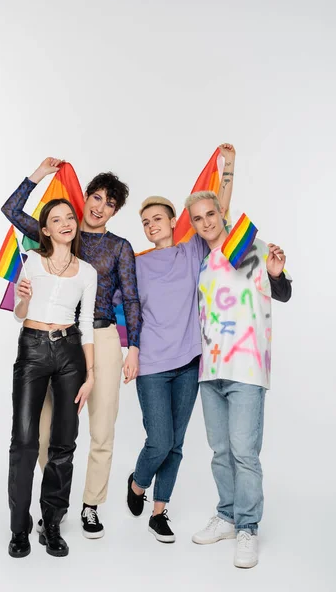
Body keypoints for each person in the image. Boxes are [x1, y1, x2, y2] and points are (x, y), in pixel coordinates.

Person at [2, 159, 141, 538]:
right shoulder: (61, 232)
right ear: (85, 197)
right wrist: (38, 175)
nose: (99, 206)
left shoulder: (118, 247)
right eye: (96, 197)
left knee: (101, 427)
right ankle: (52, 509)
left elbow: (131, 299)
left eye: (109, 203)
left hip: (102, 337)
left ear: (115, 210)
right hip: (58, 341)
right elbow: (12, 211)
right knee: (48, 431)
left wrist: (134, 348)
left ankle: (91, 505)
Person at [126, 144, 238, 542]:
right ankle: (138, 482)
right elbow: (127, 310)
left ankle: (160, 511)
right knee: (160, 440)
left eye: (158, 218)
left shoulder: (192, 250)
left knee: (177, 443)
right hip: (153, 365)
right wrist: (130, 351)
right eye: (145, 221)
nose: (151, 225)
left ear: (175, 221)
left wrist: (228, 170)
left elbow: (217, 213)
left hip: (190, 362)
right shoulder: (135, 263)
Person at [185, 191, 292, 568]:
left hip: (247, 368)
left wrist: (276, 274)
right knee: (220, 451)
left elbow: (283, 293)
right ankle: (227, 517)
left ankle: (248, 527)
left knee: (245, 453)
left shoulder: (254, 246)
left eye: (210, 214)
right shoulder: (200, 261)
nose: (205, 222)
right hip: (210, 369)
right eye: (197, 218)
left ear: (221, 213)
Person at [8, 198, 97, 558]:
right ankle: (19, 528)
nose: (65, 223)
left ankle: (53, 523)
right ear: (44, 229)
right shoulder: (31, 261)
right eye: (55, 220)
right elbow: (18, 315)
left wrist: (90, 375)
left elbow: (87, 324)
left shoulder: (87, 272)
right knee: (25, 441)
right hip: (32, 347)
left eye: (69, 218)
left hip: (70, 353)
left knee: (64, 443)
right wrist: (22, 299)